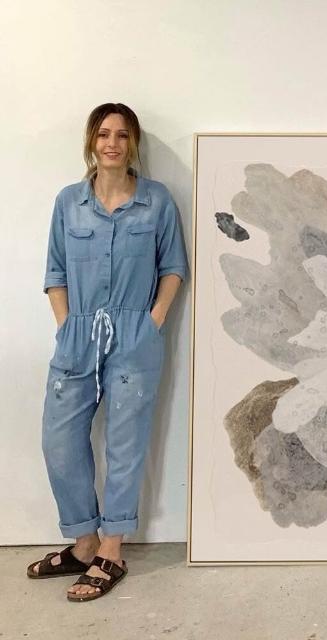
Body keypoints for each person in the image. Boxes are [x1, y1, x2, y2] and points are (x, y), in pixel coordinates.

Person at [26, 103, 188, 602]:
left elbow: (173, 268)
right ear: (91, 142)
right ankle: (84, 542)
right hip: (77, 333)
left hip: (134, 334)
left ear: (133, 142)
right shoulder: (69, 202)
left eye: (121, 134)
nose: (112, 143)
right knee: (58, 440)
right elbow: (55, 271)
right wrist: (65, 324)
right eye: (103, 134)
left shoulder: (156, 202)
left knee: (125, 442)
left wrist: (151, 322)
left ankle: (112, 549)